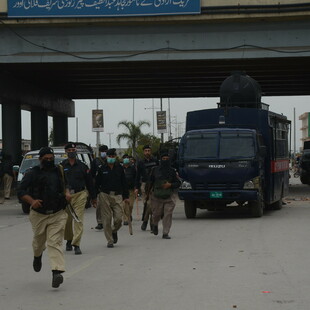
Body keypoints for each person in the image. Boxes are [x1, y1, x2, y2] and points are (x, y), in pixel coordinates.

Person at [17, 147, 70, 288]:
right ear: (40, 159)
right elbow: (21, 191)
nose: (49, 161)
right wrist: (32, 201)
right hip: (39, 215)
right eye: (46, 159)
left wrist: (67, 193)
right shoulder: (32, 173)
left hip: (57, 213)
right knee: (38, 241)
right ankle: (37, 256)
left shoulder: (59, 171)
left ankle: (56, 272)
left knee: (55, 242)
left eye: (51, 158)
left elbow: (66, 185)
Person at [61, 142, 97, 255]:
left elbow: (89, 182)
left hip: (80, 194)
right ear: (66, 152)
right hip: (66, 196)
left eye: (73, 150)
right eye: (69, 151)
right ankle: (68, 239)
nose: (72, 152)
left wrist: (93, 197)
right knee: (67, 220)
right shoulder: (62, 166)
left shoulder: (82, 166)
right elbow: (59, 182)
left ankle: (76, 244)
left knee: (78, 219)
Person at [95, 148, 129, 248]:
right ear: (107, 157)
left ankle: (114, 231)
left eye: (113, 157)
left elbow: (124, 183)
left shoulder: (120, 168)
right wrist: (94, 196)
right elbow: (96, 183)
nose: (111, 158)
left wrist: (126, 196)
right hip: (104, 195)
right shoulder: (101, 168)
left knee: (118, 219)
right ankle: (109, 240)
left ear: (115, 157)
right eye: (110, 156)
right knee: (107, 219)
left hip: (117, 195)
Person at [149, 150, 181, 239]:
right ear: (160, 160)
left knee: (168, 214)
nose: (165, 160)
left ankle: (165, 233)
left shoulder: (172, 171)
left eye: (167, 159)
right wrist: (148, 194)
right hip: (156, 197)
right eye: (163, 158)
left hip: (169, 197)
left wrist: (170, 185)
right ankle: (154, 224)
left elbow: (178, 183)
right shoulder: (154, 170)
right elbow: (150, 182)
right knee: (156, 215)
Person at [135, 145, 159, 231]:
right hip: (145, 185)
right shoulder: (141, 162)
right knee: (147, 203)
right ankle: (146, 221)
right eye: (146, 151)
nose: (147, 152)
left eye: (149, 150)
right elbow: (137, 175)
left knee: (152, 205)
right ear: (143, 152)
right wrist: (136, 187)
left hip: (154, 185)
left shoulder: (155, 161)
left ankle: (149, 222)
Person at [90, 144, 109, 231]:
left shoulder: (110, 160)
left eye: (105, 151)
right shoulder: (96, 161)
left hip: (108, 186)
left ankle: (107, 221)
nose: (103, 153)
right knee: (99, 206)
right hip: (99, 186)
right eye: (102, 151)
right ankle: (100, 222)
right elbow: (92, 174)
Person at [121, 154, 136, 226]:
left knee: (130, 205)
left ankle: (129, 214)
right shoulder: (120, 168)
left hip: (131, 189)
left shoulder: (133, 168)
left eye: (127, 158)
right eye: (125, 158)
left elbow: (136, 178)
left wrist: (136, 187)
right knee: (124, 205)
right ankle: (126, 218)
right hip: (123, 190)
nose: (126, 159)